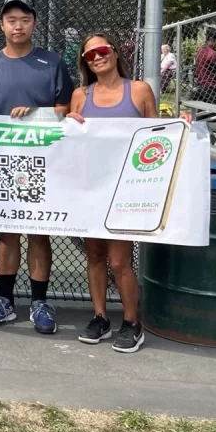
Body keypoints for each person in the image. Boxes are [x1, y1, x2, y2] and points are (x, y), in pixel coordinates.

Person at [0, 0, 74, 334]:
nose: (18, 25)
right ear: (2, 25)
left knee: (38, 231)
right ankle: (5, 301)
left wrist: (37, 115)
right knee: (8, 232)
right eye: (11, 20)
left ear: (34, 23)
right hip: (2, 160)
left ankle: (38, 302)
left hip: (42, 159)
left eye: (25, 19)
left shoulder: (52, 62)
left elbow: (67, 107)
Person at [66, 33, 156, 353]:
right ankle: (100, 317)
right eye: (90, 55)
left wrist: (183, 126)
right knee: (94, 256)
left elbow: (158, 137)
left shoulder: (140, 90)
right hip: (91, 188)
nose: (97, 57)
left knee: (119, 260)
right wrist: (69, 123)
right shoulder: (81, 95)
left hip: (125, 189)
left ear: (115, 53)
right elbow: (70, 139)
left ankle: (132, 322)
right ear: (85, 63)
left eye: (102, 51)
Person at [192, 28, 216, 106]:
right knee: (214, 113)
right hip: (212, 87)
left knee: (201, 113)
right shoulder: (213, 54)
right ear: (211, 39)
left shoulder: (200, 50)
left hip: (201, 85)